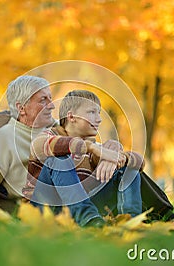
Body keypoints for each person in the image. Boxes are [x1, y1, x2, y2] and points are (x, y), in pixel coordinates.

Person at [24, 90, 146, 227]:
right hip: (46, 209)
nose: (99, 119)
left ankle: (130, 222)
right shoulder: (49, 135)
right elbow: (39, 145)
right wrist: (92, 148)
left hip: (75, 207)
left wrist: (117, 157)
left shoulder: (95, 150)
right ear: (71, 116)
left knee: (129, 168)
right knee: (58, 160)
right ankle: (89, 219)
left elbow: (140, 162)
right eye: (92, 112)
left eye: (99, 113)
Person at [0, 75, 56, 211]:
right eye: (43, 100)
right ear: (21, 108)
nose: (52, 105)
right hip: (36, 207)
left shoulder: (57, 128)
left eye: (50, 98)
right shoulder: (4, 138)